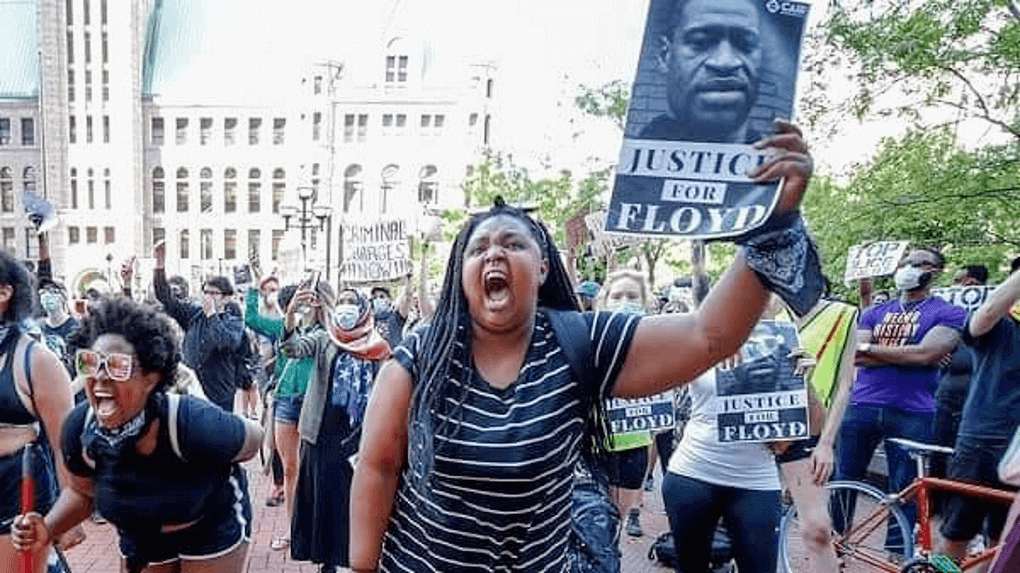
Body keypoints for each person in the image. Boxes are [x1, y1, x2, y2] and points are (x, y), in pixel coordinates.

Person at [348, 119, 817, 572]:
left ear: (543, 268)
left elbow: (707, 337)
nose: (494, 252)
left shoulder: (581, 342)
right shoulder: (421, 356)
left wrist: (772, 219)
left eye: (513, 244)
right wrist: (362, 566)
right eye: (478, 248)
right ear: (461, 272)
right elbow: (378, 465)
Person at [12, 296, 263, 573]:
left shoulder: (191, 422)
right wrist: (47, 528)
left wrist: (213, 456)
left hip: (209, 523)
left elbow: (254, 438)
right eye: (91, 362)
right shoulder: (80, 429)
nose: (101, 376)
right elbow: (81, 493)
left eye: (117, 366)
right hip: (140, 531)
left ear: (150, 378)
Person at [836, 247, 966, 550]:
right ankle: (835, 543)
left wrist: (871, 349)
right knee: (843, 480)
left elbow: (926, 355)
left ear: (935, 272)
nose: (909, 267)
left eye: (919, 263)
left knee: (906, 489)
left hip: (915, 411)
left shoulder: (949, 312)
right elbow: (855, 355)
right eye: (905, 262)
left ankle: (898, 554)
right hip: (862, 405)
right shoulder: (874, 312)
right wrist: (908, 353)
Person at [286, 285, 390, 573]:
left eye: (351, 301)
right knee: (324, 499)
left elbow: (385, 388)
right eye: (341, 300)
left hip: (357, 437)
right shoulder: (325, 337)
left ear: (363, 309)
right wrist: (291, 314)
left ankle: (355, 556)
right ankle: (327, 561)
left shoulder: (378, 345)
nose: (345, 306)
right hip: (321, 434)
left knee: (351, 499)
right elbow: (292, 349)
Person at [0, 251, 82, 573]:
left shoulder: (36, 360)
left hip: (17, 496)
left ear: (5, 293)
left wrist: (69, 516)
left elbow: (64, 444)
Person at [940, 258, 1020, 565]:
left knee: (1001, 542)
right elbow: (984, 315)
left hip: (1016, 453)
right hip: (981, 442)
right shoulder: (1000, 325)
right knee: (956, 535)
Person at [244, 278, 316, 551]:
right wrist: (254, 287)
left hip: (314, 403)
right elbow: (251, 318)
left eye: (307, 301)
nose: (302, 307)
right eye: (296, 303)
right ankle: (293, 530)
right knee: (290, 469)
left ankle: (316, 529)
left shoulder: (323, 331)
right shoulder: (280, 327)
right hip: (285, 400)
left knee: (314, 469)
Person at [642, 0, 763, 143]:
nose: (725, 62)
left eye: (746, 44)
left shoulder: (779, 154)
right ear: (665, 56)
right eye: (700, 42)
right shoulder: (626, 154)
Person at [152, 241, 246, 412]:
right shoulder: (193, 314)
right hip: (191, 389)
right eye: (206, 292)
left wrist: (212, 315)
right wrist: (159, 264)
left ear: (226, 298)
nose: (208, 297)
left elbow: (224, 342)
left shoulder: (233, 322)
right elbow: (166, 298)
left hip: (219, 393)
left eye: (214, 293)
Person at [596, 269, 655, 538]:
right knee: (594, 520)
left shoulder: (658, 344)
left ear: (644, 302)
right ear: (604, 301)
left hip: (634, 444)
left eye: (632, 296)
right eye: (617, 296)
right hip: (596, 447)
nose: (624, 302)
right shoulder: (589, 337)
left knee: (615, 523)